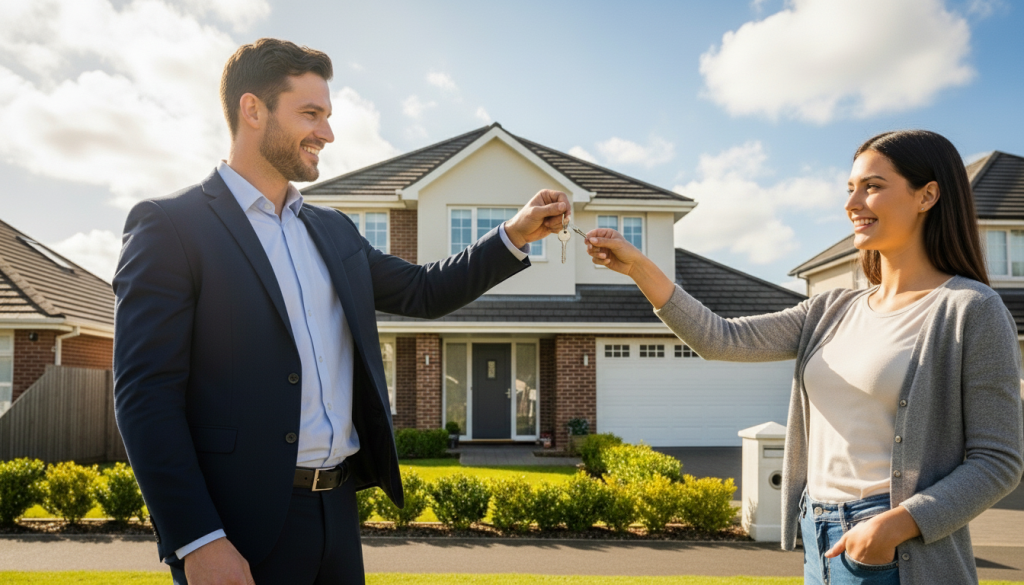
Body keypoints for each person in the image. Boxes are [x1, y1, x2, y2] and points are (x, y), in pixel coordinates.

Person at [113, 38, 571, 585]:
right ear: (252, 109)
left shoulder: (332, 230)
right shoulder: (171, 228)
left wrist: (513, 235)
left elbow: (422, 290)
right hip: (237, 528)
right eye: (310, 114)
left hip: (337, 515)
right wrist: (197, 540)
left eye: (327, 116)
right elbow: (145, 396)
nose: (326, 133)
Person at [586, 130, 1024, 584]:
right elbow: (719, 338)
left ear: (927, 195)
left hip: (895, 545)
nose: (852, 202)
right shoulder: (831, 309)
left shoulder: (970, 309)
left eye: (872, 187)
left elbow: (998, 460)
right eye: (850, 189)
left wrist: (893, 526)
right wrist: (636, 265)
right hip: (819, 532)